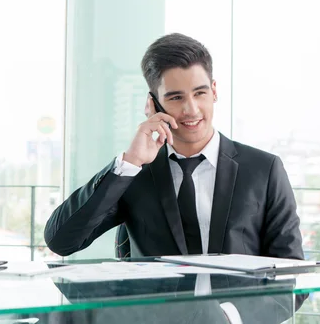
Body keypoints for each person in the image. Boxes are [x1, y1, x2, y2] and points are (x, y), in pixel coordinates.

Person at [44, 33, 305, 322]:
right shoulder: (135, 173)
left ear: (215, 91)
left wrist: (227, 318)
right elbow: (61, 240)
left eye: (200, 93)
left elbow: (295, 274)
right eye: (176, 97)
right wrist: (129, 163)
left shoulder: (263, 169)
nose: (191, 109)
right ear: (153, 104)